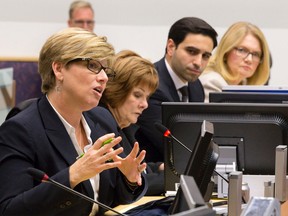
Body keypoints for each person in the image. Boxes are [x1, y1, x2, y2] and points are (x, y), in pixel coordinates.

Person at [0, 28, 147, 216]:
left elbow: (110, 200)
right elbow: (9, 210)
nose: (103, 77)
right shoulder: (21, 130)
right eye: (93, 66)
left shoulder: (102, 120)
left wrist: (129, 179)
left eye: (105, 70)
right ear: (59, 69)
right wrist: (73, 176)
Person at [135, 17, 218, 162]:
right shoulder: (151, 85)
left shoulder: (195, 86)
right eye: (192, 51)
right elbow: (174, 146)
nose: (198, 62)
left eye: (205, 56)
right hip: (151, 174)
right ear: (171, 47)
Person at [89, 49, 164, 196]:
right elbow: (127, 180)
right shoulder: (100, 125)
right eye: (137, 95)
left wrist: (159, 167)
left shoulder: (124, 126)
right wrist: (177, 180)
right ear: (117, 90)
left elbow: (135, 167)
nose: (145, 104)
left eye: (147, 97)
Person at [199, 21, 271, 102]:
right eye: (242, 50)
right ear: (226, 51)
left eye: (255, 54)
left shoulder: (243, 84)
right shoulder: (212, 82)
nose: (249, 60)